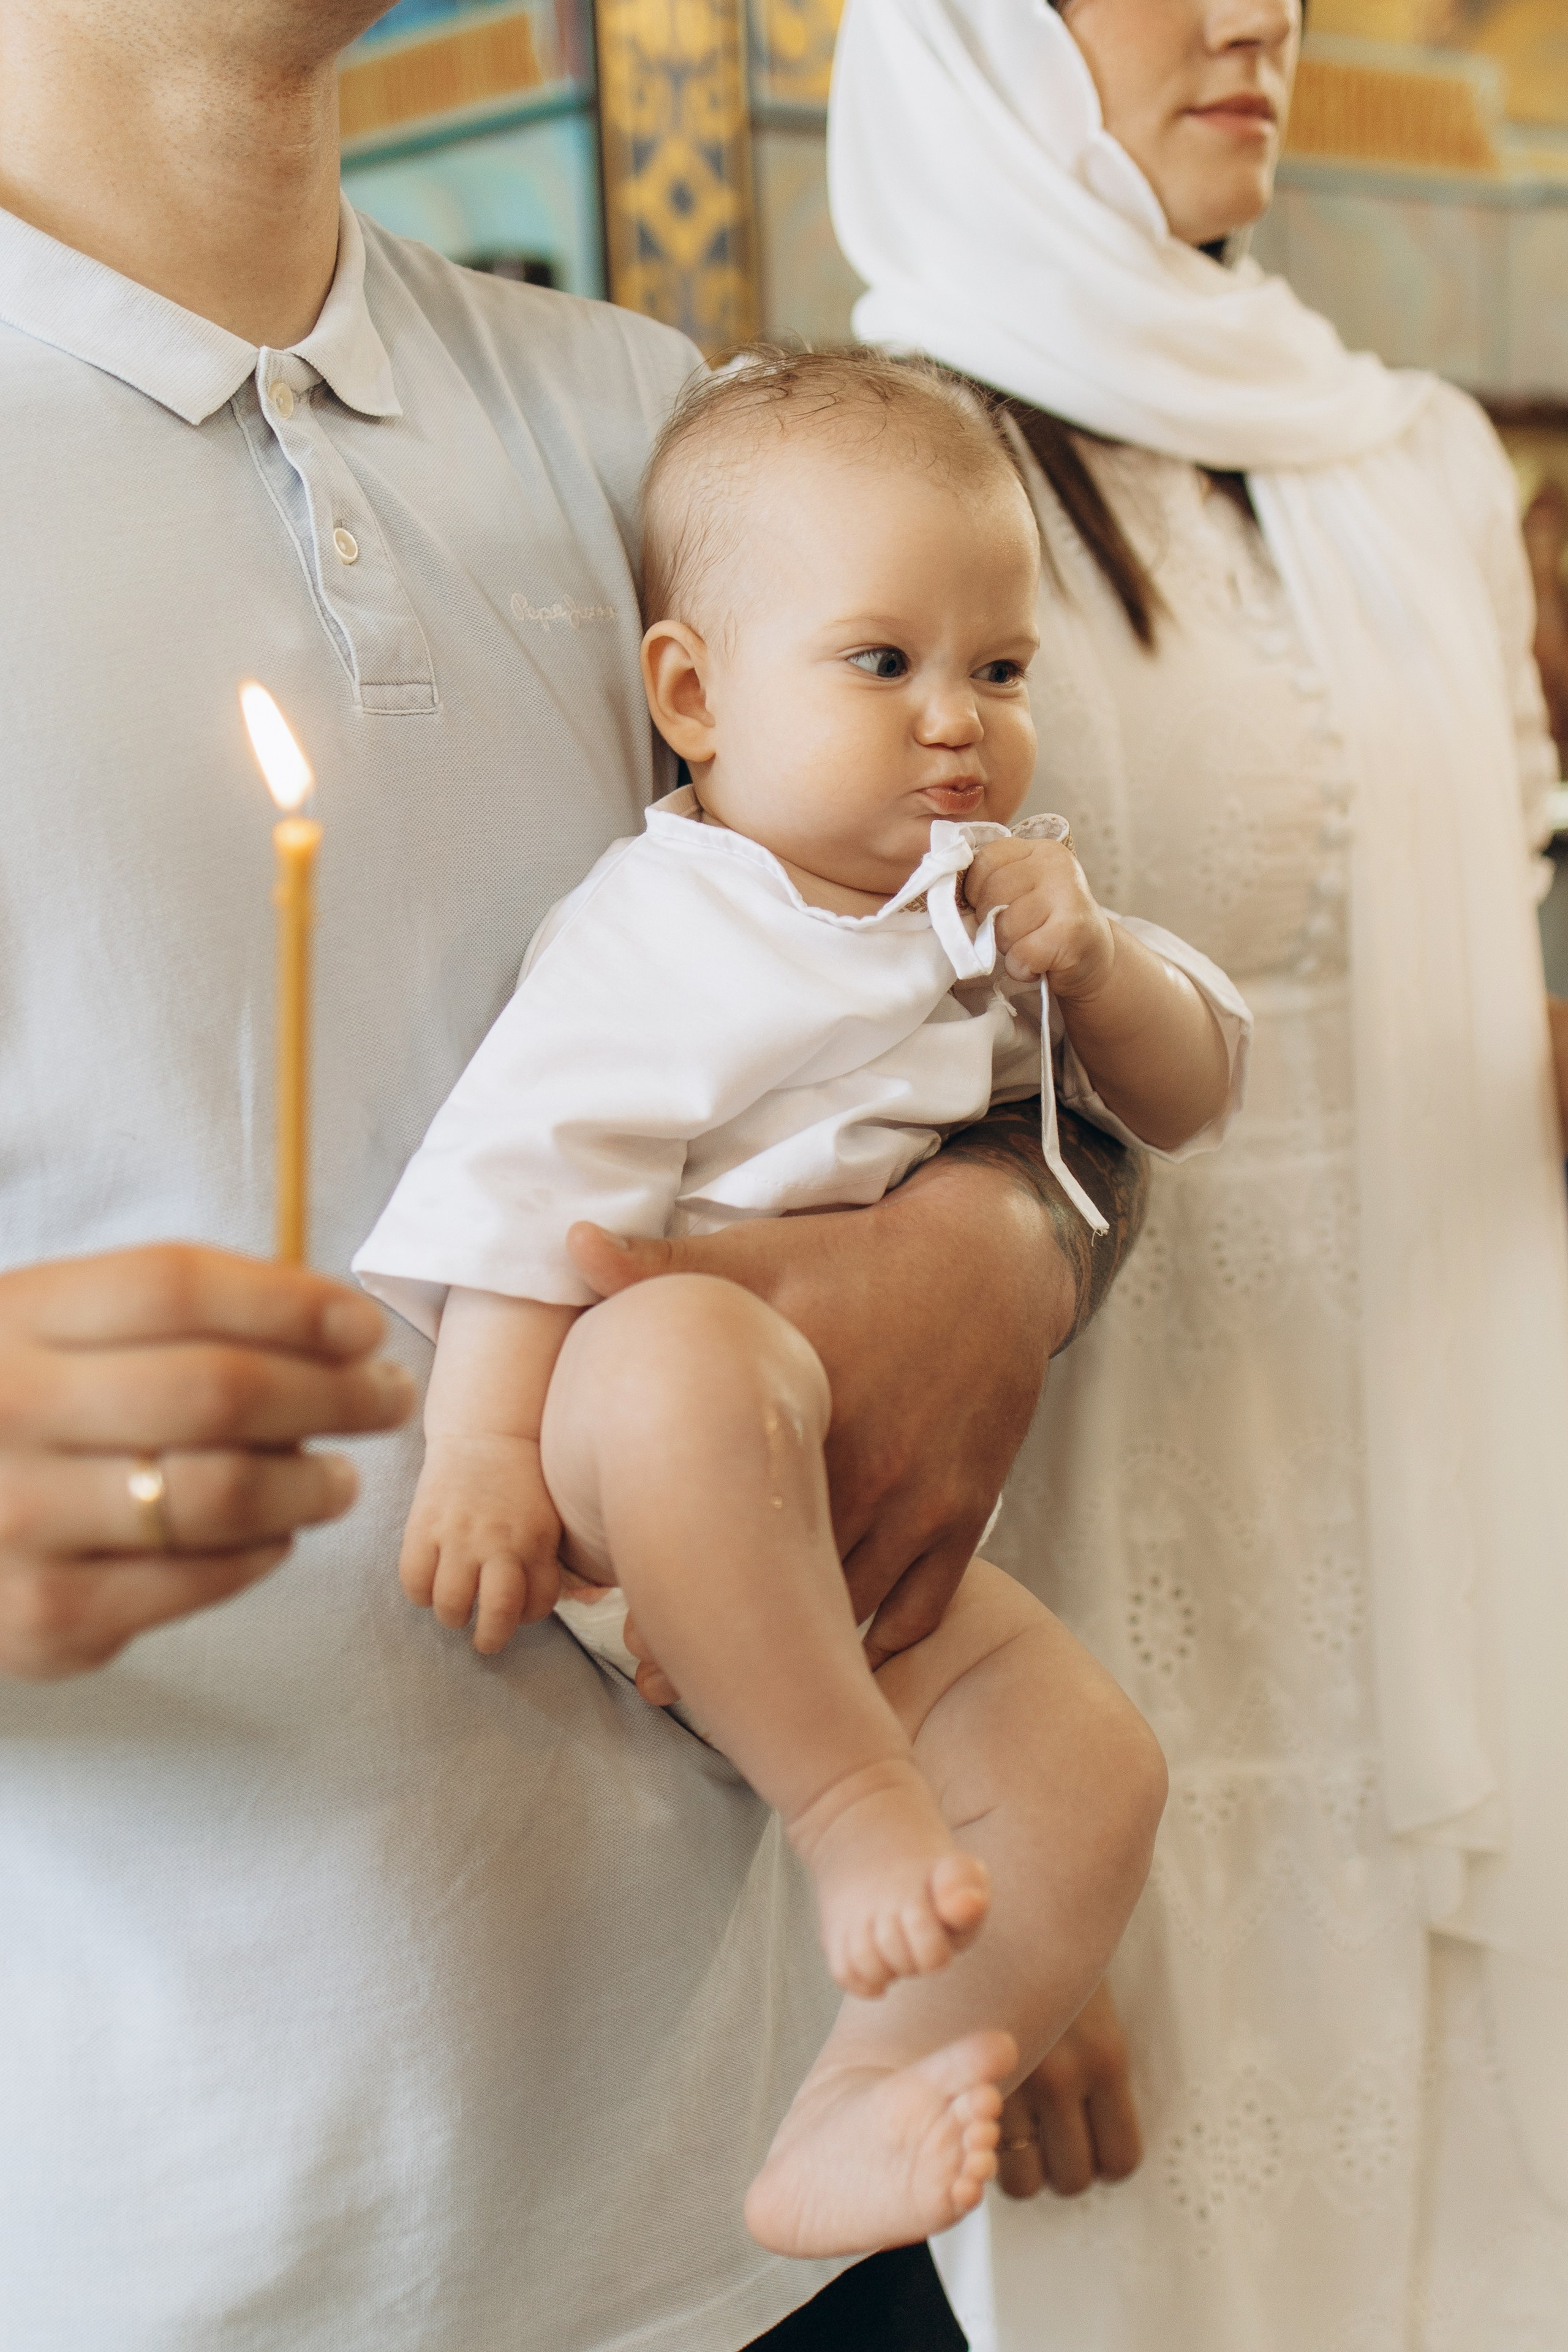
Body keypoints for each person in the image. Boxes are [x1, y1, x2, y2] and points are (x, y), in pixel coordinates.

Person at [0, 5, 1158, 2348]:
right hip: (158, 2237)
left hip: (754, 2196)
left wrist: (1012, 1250)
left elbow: (1016, 1017)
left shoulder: (650, 418)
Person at [827, 0, 1568, 2345]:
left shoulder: (1412, 457)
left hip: (1476, 1563)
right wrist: (991, 1872)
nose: (1260, 16)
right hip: (1108, 1619)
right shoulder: (867, 472)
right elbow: (803, 1174)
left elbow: (1455, 1027)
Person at [353, 349, 1246, 2259]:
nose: (957, 727)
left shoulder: (993, 901)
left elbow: (1192, 1098)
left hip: (827, 1528)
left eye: (999, 672)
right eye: (882, 665)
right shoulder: (663, 925)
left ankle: (870, 2088)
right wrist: (488, 1443)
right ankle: (851, 1810)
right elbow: (533, 1181)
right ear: (694, 693)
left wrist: (1092, 969)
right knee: (681, 1335)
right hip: (628, 1454)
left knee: (1095, 1767)